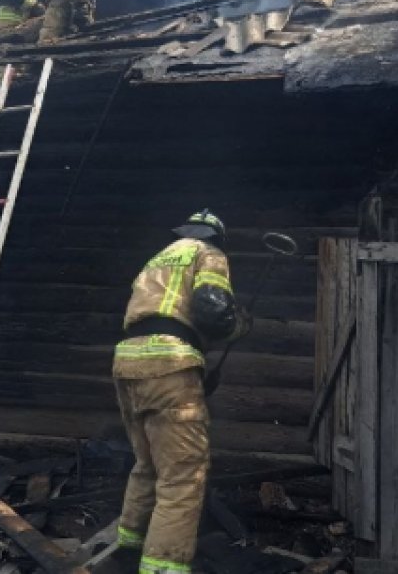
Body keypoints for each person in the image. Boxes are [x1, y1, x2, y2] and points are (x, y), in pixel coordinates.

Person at [111, 211, 250, 574]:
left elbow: (165, 312)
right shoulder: (209, 253)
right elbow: (212, 310)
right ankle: (163, 567)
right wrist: (237, 326)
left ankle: (129, 544)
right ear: (217, 236)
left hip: (128, 361)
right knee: (183, 474)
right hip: (169, 360)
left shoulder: (158, 258)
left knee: (147, 463)